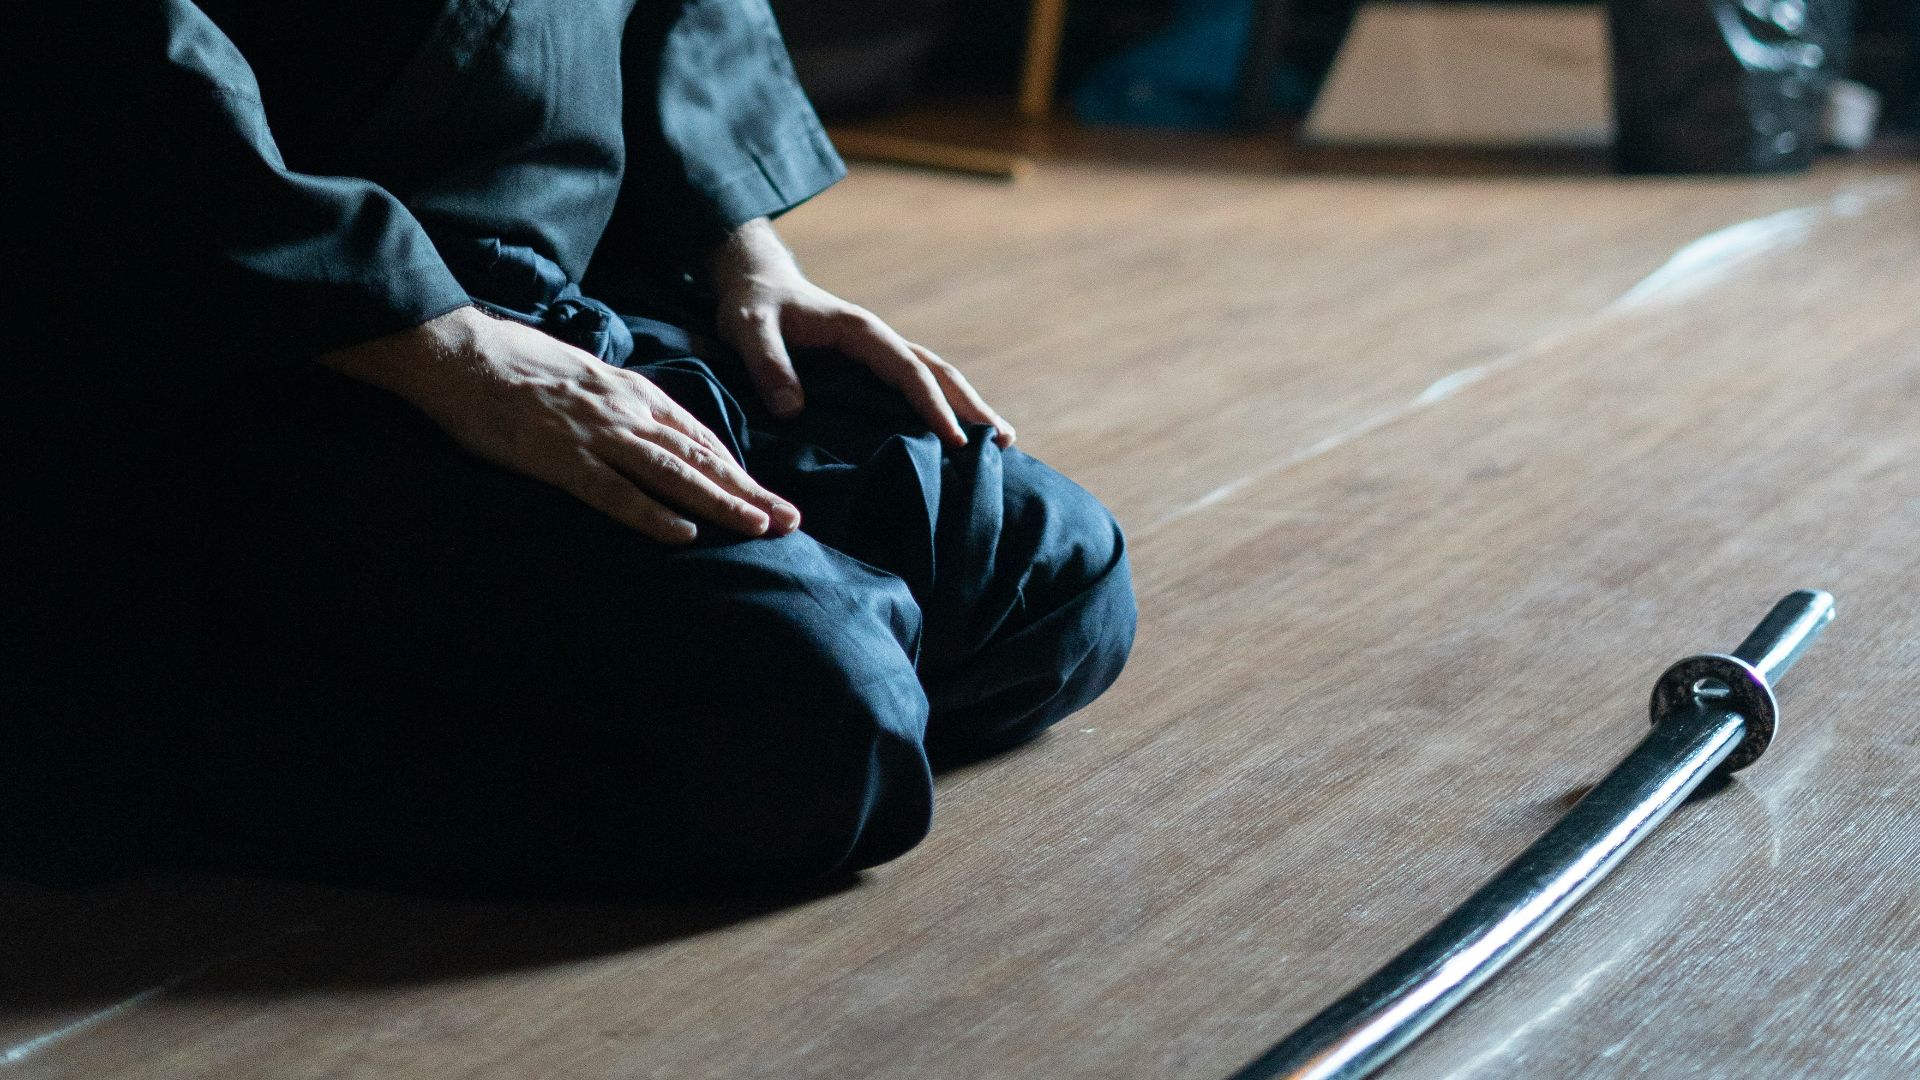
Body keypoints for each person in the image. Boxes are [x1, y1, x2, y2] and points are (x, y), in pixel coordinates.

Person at [3, 1, 1135, 896]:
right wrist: (436, 344)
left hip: (560, 292)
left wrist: (742, 249)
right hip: (251, 333)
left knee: (1053, 575)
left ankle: (628, 653)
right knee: (811, 717)